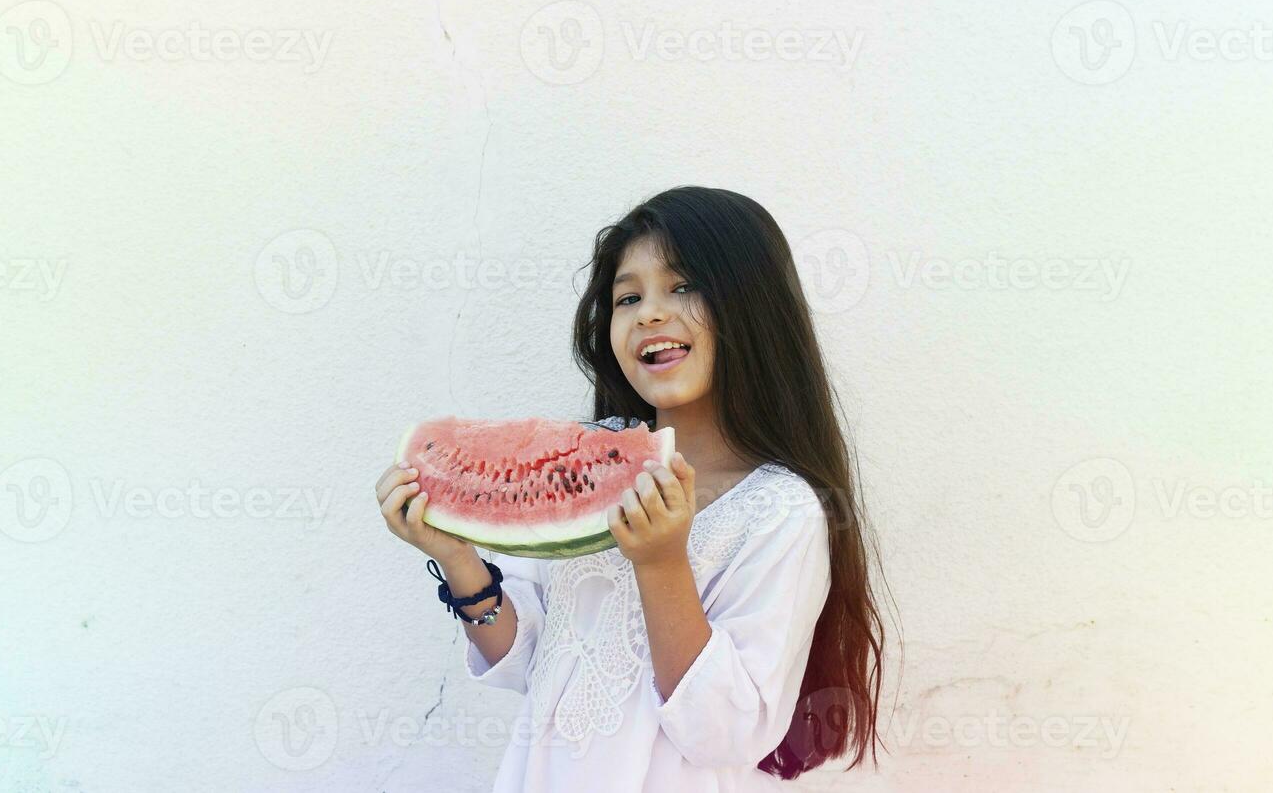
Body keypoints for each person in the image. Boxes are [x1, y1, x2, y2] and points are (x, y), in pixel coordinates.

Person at [376, 186, 891, 790]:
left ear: (752, 305)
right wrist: (457, 554)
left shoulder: (780, 510)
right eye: (628, 296)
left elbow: (724, 734)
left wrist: (662, 563)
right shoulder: (584, 466)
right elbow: (524, 660)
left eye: (683, 286)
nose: (649, 312)